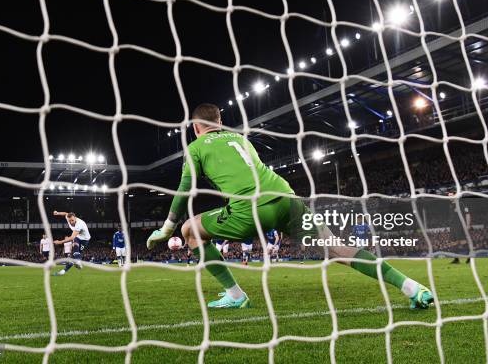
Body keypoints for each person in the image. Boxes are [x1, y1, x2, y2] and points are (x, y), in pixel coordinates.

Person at [147, 103, 433, 309]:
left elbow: (186, 189)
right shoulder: (241, 139)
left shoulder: (196, 147)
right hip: (287, 198)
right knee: (339, 249)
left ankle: (235, 294)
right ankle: (412, 287)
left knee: (190, 230)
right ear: (220, 122)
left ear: (195, 128)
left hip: (250, 208)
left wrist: (166, 228)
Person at [52, 211, 91, 276]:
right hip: (78, 237)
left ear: (75, 218)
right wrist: (57, 213)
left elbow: (71, 237)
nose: (71, 222)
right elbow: (65, 213)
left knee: (74, 257)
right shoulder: (68, 218)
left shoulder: (79, 224)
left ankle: (70, 267)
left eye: (72, 220)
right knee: (75, 254)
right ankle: (75, 264)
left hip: (85, 239)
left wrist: (60, 242)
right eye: (70, 221)